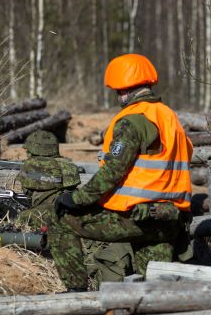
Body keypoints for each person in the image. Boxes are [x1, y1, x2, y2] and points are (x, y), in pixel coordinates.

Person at [51, 53, 194, 292]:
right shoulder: (169, 117)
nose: (118, 97)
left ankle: (76, 294)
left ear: (125, 89)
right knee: (153, 287)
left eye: (117, 91)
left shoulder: (132, 121)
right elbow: (185, 154)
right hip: (169, 219)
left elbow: (112, 172)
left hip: (135, 217)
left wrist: (75, 199)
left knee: (61, 221)